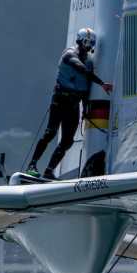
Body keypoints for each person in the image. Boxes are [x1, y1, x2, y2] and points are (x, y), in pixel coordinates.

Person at [27, 27, 113, 179]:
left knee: (67, 141)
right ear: (79, 42)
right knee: (50, 133)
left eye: (90, 44)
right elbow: (80, 69)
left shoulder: (89, 63)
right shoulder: (69, 55)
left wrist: (86, 110)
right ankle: (32, 165)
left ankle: (49, 170)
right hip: (60, 100)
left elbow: (86, 89)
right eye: (85, 43)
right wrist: (102, 83)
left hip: (74, 104)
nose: (87, 47)